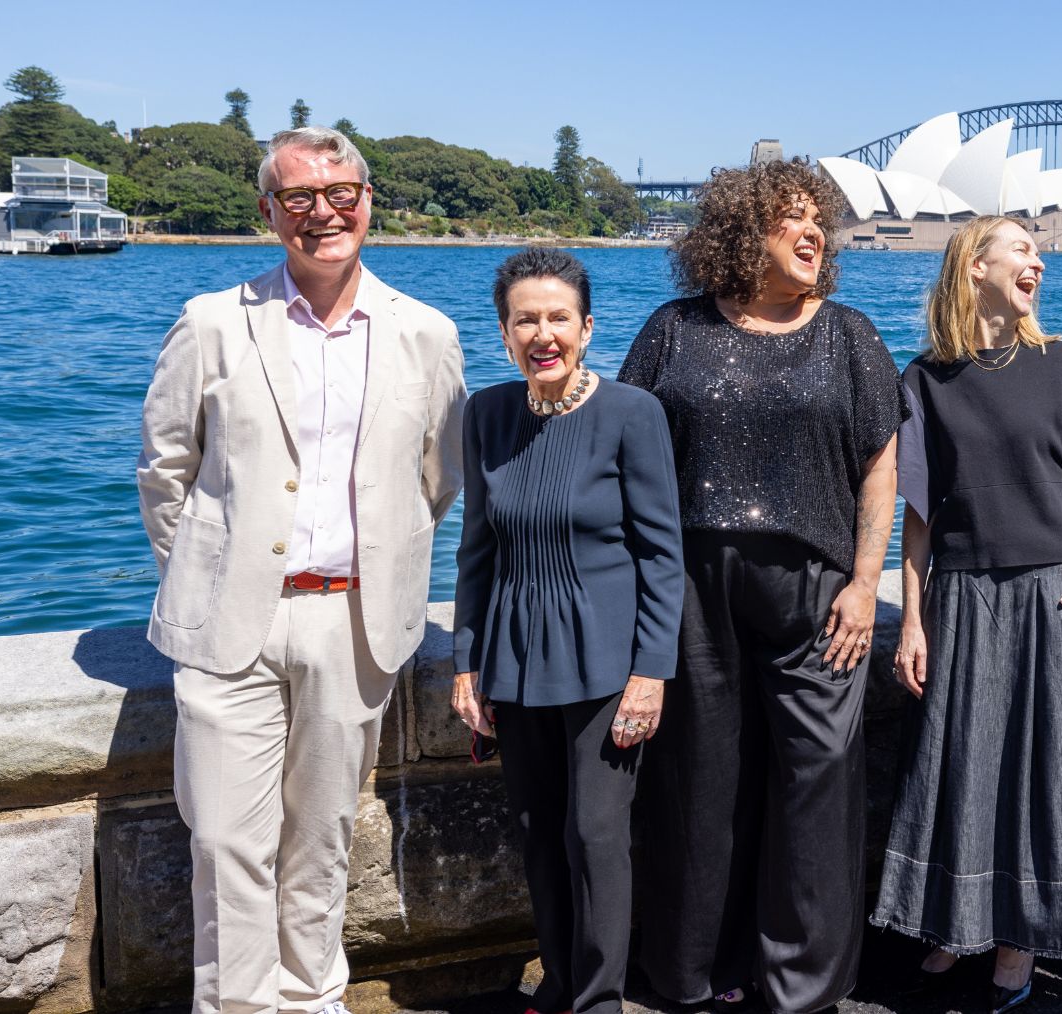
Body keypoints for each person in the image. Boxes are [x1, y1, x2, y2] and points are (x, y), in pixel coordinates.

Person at [137, 126, 465, 1014]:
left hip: (353, 623)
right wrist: (209, 573)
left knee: (320, 837)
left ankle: (314, 999)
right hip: (229, 620)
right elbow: (165, 469)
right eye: (298, 198)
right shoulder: (212, 322)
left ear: (368, 201)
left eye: (340, 193)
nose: (323, 213)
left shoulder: (427, 335)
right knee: (226, 845)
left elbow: (435, 481)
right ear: (267, 212)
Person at [620, 159, 901, 1014]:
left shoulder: (848, 334)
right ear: (745, 232)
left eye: (822, 221)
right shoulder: (674, 328)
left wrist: (864, 583)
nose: (816, 232)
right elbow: (625, 451)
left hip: (813, 588)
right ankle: (691, 973)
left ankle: (802, 986)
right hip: (694, 586)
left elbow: (881, 464)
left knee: (817, 780)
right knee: (699, 782)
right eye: (794, 219)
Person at [871, 216, 1062, 1013]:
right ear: (975, 266)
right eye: (1023, 249)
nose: (1039, 262)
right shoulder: (925, 379)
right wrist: (912, 620)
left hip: (1051, 594)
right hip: (963, 595)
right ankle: (957, 924)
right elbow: (917, 515)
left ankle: (1018, 943)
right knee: (963, 769)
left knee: (1043, 773)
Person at [449, 248, 684, 1014]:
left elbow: (662, 554)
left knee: (595, 836)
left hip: (607, 662)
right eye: (526, 320)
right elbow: (477, 550)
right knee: (538, 834)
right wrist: (466, 663)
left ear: (587, 328)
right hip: (516, 661)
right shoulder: (485, 415)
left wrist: (651, 672)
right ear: (504, 332)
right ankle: (557, 985)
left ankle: (600, 1000)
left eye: (559, 319)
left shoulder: (631, 413)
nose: (543, 334)